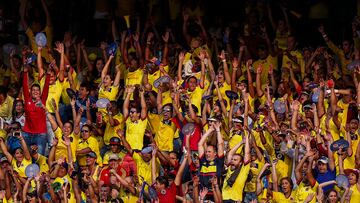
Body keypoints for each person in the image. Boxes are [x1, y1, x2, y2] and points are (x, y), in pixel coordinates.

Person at [22, 66, 50, 155]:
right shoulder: (27, 100)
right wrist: (25, 73)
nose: (35, 91)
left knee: (40, 157)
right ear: (30, 92)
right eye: (33, 90)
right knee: (26, 156)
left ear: (40, 92)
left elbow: (46, 87)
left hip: (40, 134)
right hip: (27, 133)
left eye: (37, 90)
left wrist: (48, 74)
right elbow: (25, 86)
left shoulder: (43, 100)